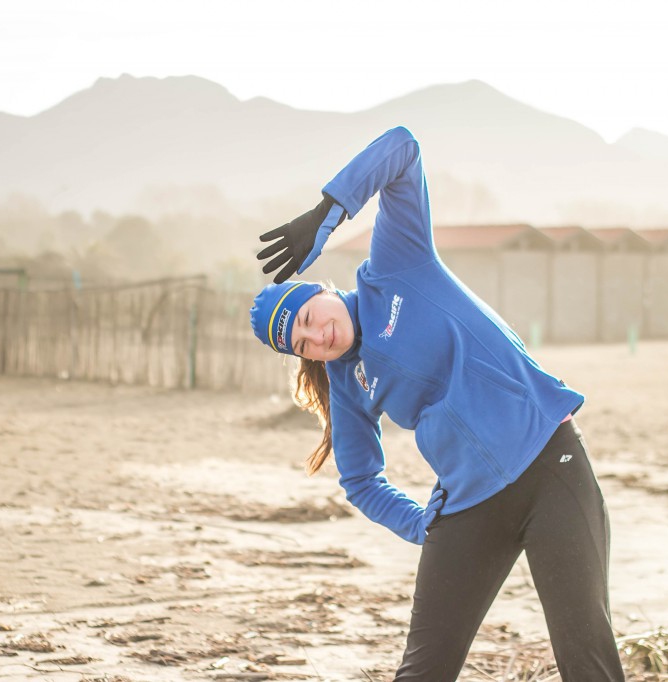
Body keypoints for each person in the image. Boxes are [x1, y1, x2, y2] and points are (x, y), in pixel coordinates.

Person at [250, 126, 625, 681]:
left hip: (551, 466)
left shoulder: (396, 266)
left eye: (307, 318)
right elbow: (361, 480)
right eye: (300, 344)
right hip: (469, 505)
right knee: (424, 672)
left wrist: (326, 213)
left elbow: (402, 148)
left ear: (322, 292)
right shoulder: (347, 383)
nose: (316, 337)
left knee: (586, 653)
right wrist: (420, 523)